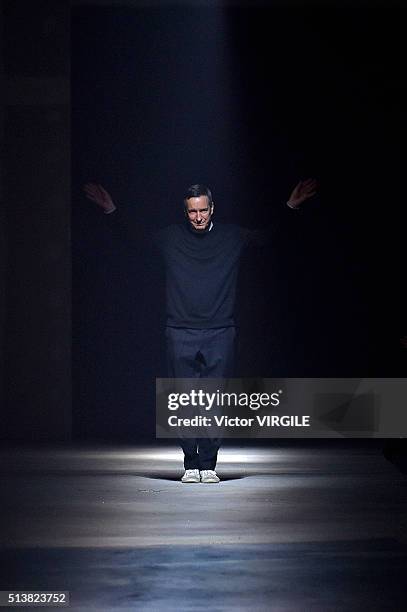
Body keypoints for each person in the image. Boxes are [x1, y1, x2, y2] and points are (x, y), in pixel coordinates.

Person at [83, 180, 317, 482]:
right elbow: (134, 240)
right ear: (186, 211)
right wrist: (111, 209)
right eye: (192, 212)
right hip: (179, 330)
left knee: (213, 401)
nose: (197, 217)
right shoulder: (171, 238)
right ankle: (190, 463)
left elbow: (266, 237)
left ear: (212, 208)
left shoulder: (232, 236)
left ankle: (208, 464)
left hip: (220, 331)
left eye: (203, 210)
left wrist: (291, 206)